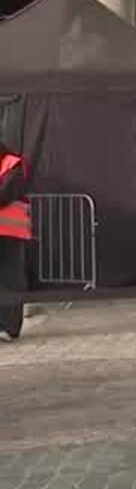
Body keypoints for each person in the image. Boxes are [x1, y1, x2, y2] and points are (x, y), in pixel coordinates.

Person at [0, 138, 27, 341]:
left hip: (10, 230)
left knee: (10, 278)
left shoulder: (13, 163)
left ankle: (9, 326)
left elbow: (5, 194)